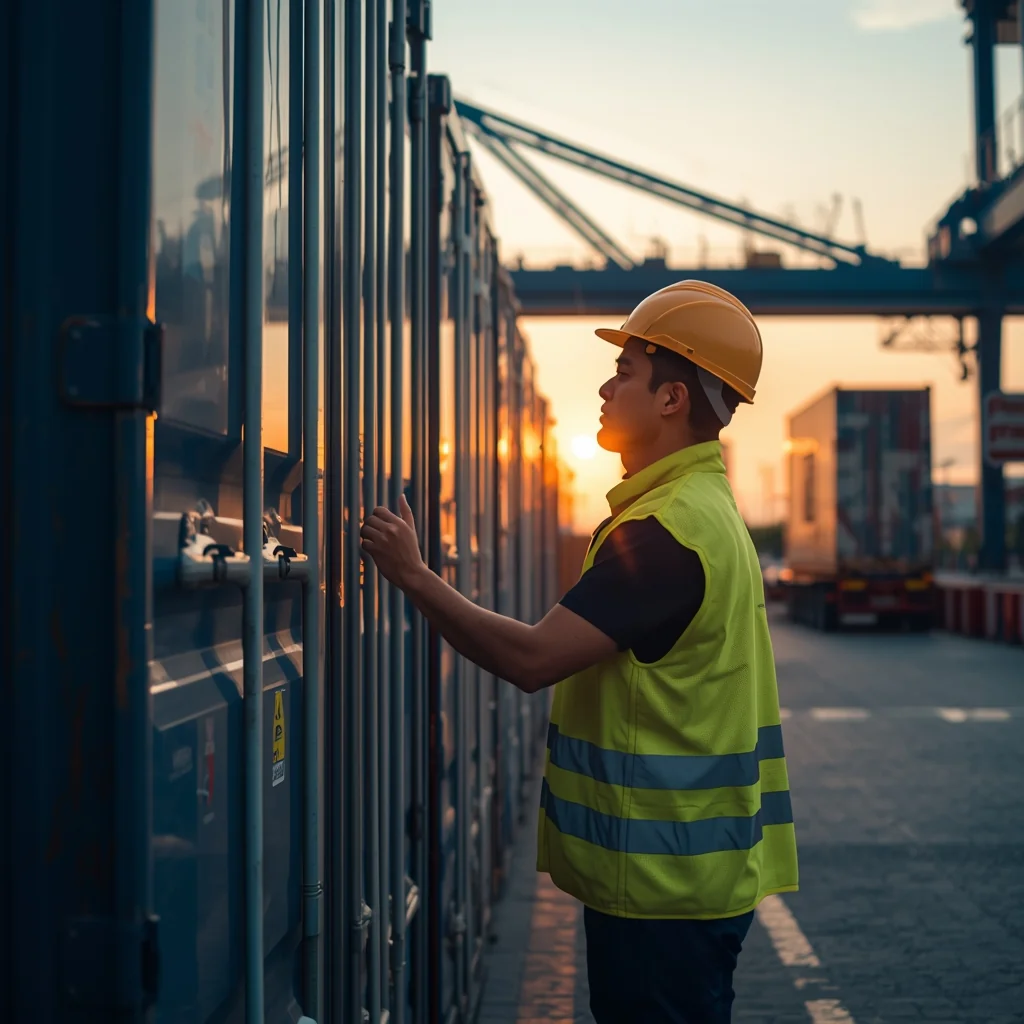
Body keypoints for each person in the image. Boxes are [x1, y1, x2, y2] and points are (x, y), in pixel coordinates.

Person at [360, 280, 799, 1024]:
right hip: (690, 887)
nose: (604, 385)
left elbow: (532, 660)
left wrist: (413, 577)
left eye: (626, 372)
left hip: (660, 895)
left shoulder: (665, 534)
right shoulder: (708, 513)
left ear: (671, 399)